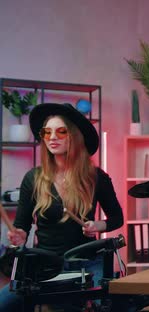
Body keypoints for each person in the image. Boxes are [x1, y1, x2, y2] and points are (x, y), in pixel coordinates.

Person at [0, 103, 124, 311]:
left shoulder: (96, 178)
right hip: (44, 264)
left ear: (74, 136)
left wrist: (98, 225)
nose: (52, 137)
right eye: (47, 132)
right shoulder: (33, 178)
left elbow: (116, 218)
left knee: (106, 303)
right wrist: (18, 235)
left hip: (85, 262)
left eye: (61, 131)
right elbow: (22, 226)